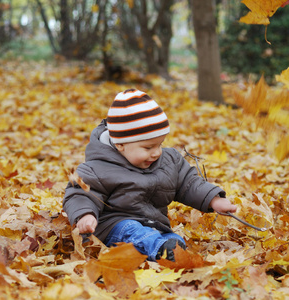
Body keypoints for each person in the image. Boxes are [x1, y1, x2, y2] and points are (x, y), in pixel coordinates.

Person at [63, 89, 237, 261]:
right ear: (121, 144)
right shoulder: (97, 168)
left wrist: (214, 200)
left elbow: (189, 183)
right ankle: (160, 250)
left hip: (155, 226)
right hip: (113, 227)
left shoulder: (168, 161)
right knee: (131, 229)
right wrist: (85, 215)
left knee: (170, 238)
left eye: (160, 144)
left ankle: (170, 249)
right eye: (148, 147)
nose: (157, 153)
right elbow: (78, 193)